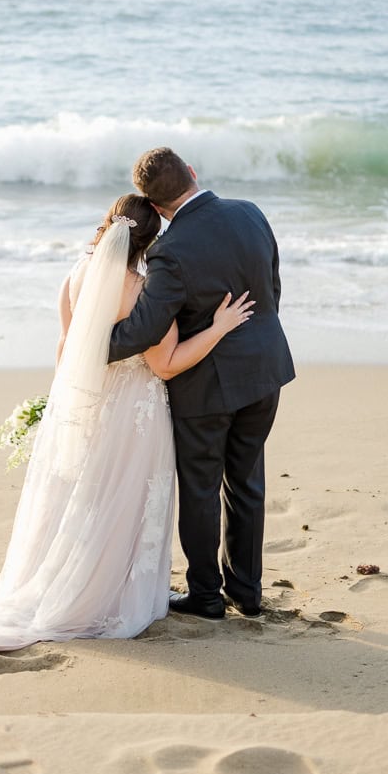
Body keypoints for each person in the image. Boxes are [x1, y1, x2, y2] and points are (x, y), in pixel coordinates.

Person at [0, 193, 254, 659]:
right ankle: (108, 595)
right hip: (135, 415)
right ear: (152, 241)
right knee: (122, 502)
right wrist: (218, 327)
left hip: (89, 406)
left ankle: (66, 578)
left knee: (86, 501)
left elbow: (64, 350)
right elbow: (167, 364)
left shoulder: (76, 276)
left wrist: (70, 409)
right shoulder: (143, 289)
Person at [109, 148, 295, 620]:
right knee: (247, 483)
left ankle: (207, 597)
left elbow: (147, 327)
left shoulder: (169, 251)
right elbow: (272, 286)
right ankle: (248, 594)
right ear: (193, 172)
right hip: (264, 371)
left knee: (201, 490)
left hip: (206, 388)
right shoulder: (250, 213)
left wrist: (91, 346)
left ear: (153, 206)